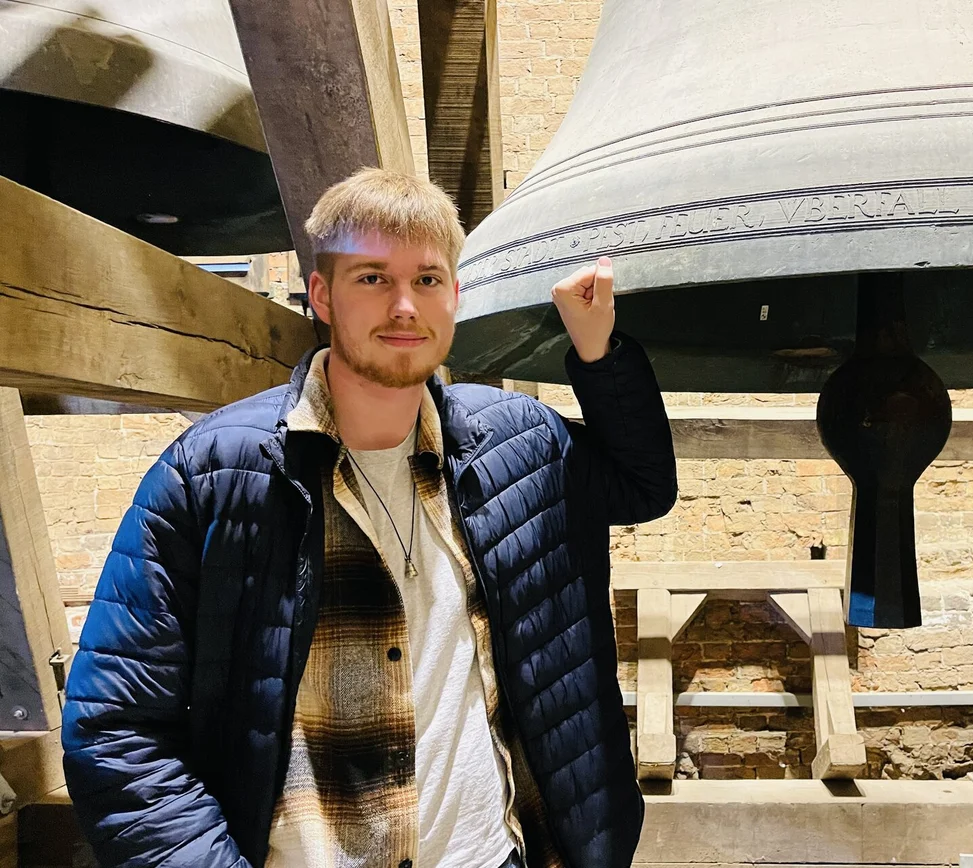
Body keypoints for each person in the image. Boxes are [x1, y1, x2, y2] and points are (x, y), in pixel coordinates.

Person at [61, 168, 677, 868]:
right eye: (373, 278)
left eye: (427, 279)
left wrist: (598, 352)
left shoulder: (520, 444)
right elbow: (115, 730)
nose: (405, 306)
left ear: (455, 294)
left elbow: (641, 487)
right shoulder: (210, 477)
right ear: (322, 294)